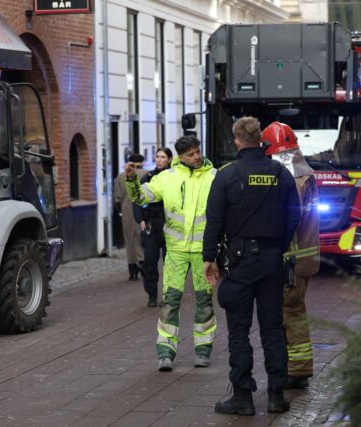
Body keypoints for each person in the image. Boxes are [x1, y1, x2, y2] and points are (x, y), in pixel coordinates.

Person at [203, 116, 300, 415]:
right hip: (271, 262)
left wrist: (210, 258)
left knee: (238, 331)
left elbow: (214, 220)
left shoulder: (226, 175)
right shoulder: (279, 172)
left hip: (240, 263)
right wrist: (277, 247)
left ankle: (242, 397)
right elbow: (294, 215)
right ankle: (275, 396)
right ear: (261, 139)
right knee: (273, 329)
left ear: (237, 141)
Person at [125, 136, 217, 371]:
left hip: (202, 252)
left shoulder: (214, 176)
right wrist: (131, 179)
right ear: (180, 157)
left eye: (198, 152)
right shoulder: (166, 178)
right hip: (176, 251)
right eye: (191, 154)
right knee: (170, 301)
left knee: (205, 301)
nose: (196, 157)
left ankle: (203, 350)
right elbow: (140, 197)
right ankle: (165, 352)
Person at [263, 122, 320, 390]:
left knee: (291, 313)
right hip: (305, 256)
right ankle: (297, 367)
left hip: (292, 259)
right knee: (295, 310)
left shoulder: (289, 179)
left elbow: (287, 221)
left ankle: (297, 371)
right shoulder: (306, 174)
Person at [133, 148, 173, 307]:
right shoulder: (148, 177)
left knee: (170, 263)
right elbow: (136, 197)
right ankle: (152, 294)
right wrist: (140, 219)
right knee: (150, 262)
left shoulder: (175, 177)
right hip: (152, 223)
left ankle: (168, 294)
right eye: (157, 156)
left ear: (169, 159)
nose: (159, 160)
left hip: (170, 223)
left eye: (163, 157)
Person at [114, 153, 147, 280]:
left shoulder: (121, 176)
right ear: (142, 162)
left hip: (127, 211)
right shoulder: (147, 173)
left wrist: (120, 209)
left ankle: (132, 269)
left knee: (129, 239)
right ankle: (143, 264)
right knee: (143, 238)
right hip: (144, 211)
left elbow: (117, 198)